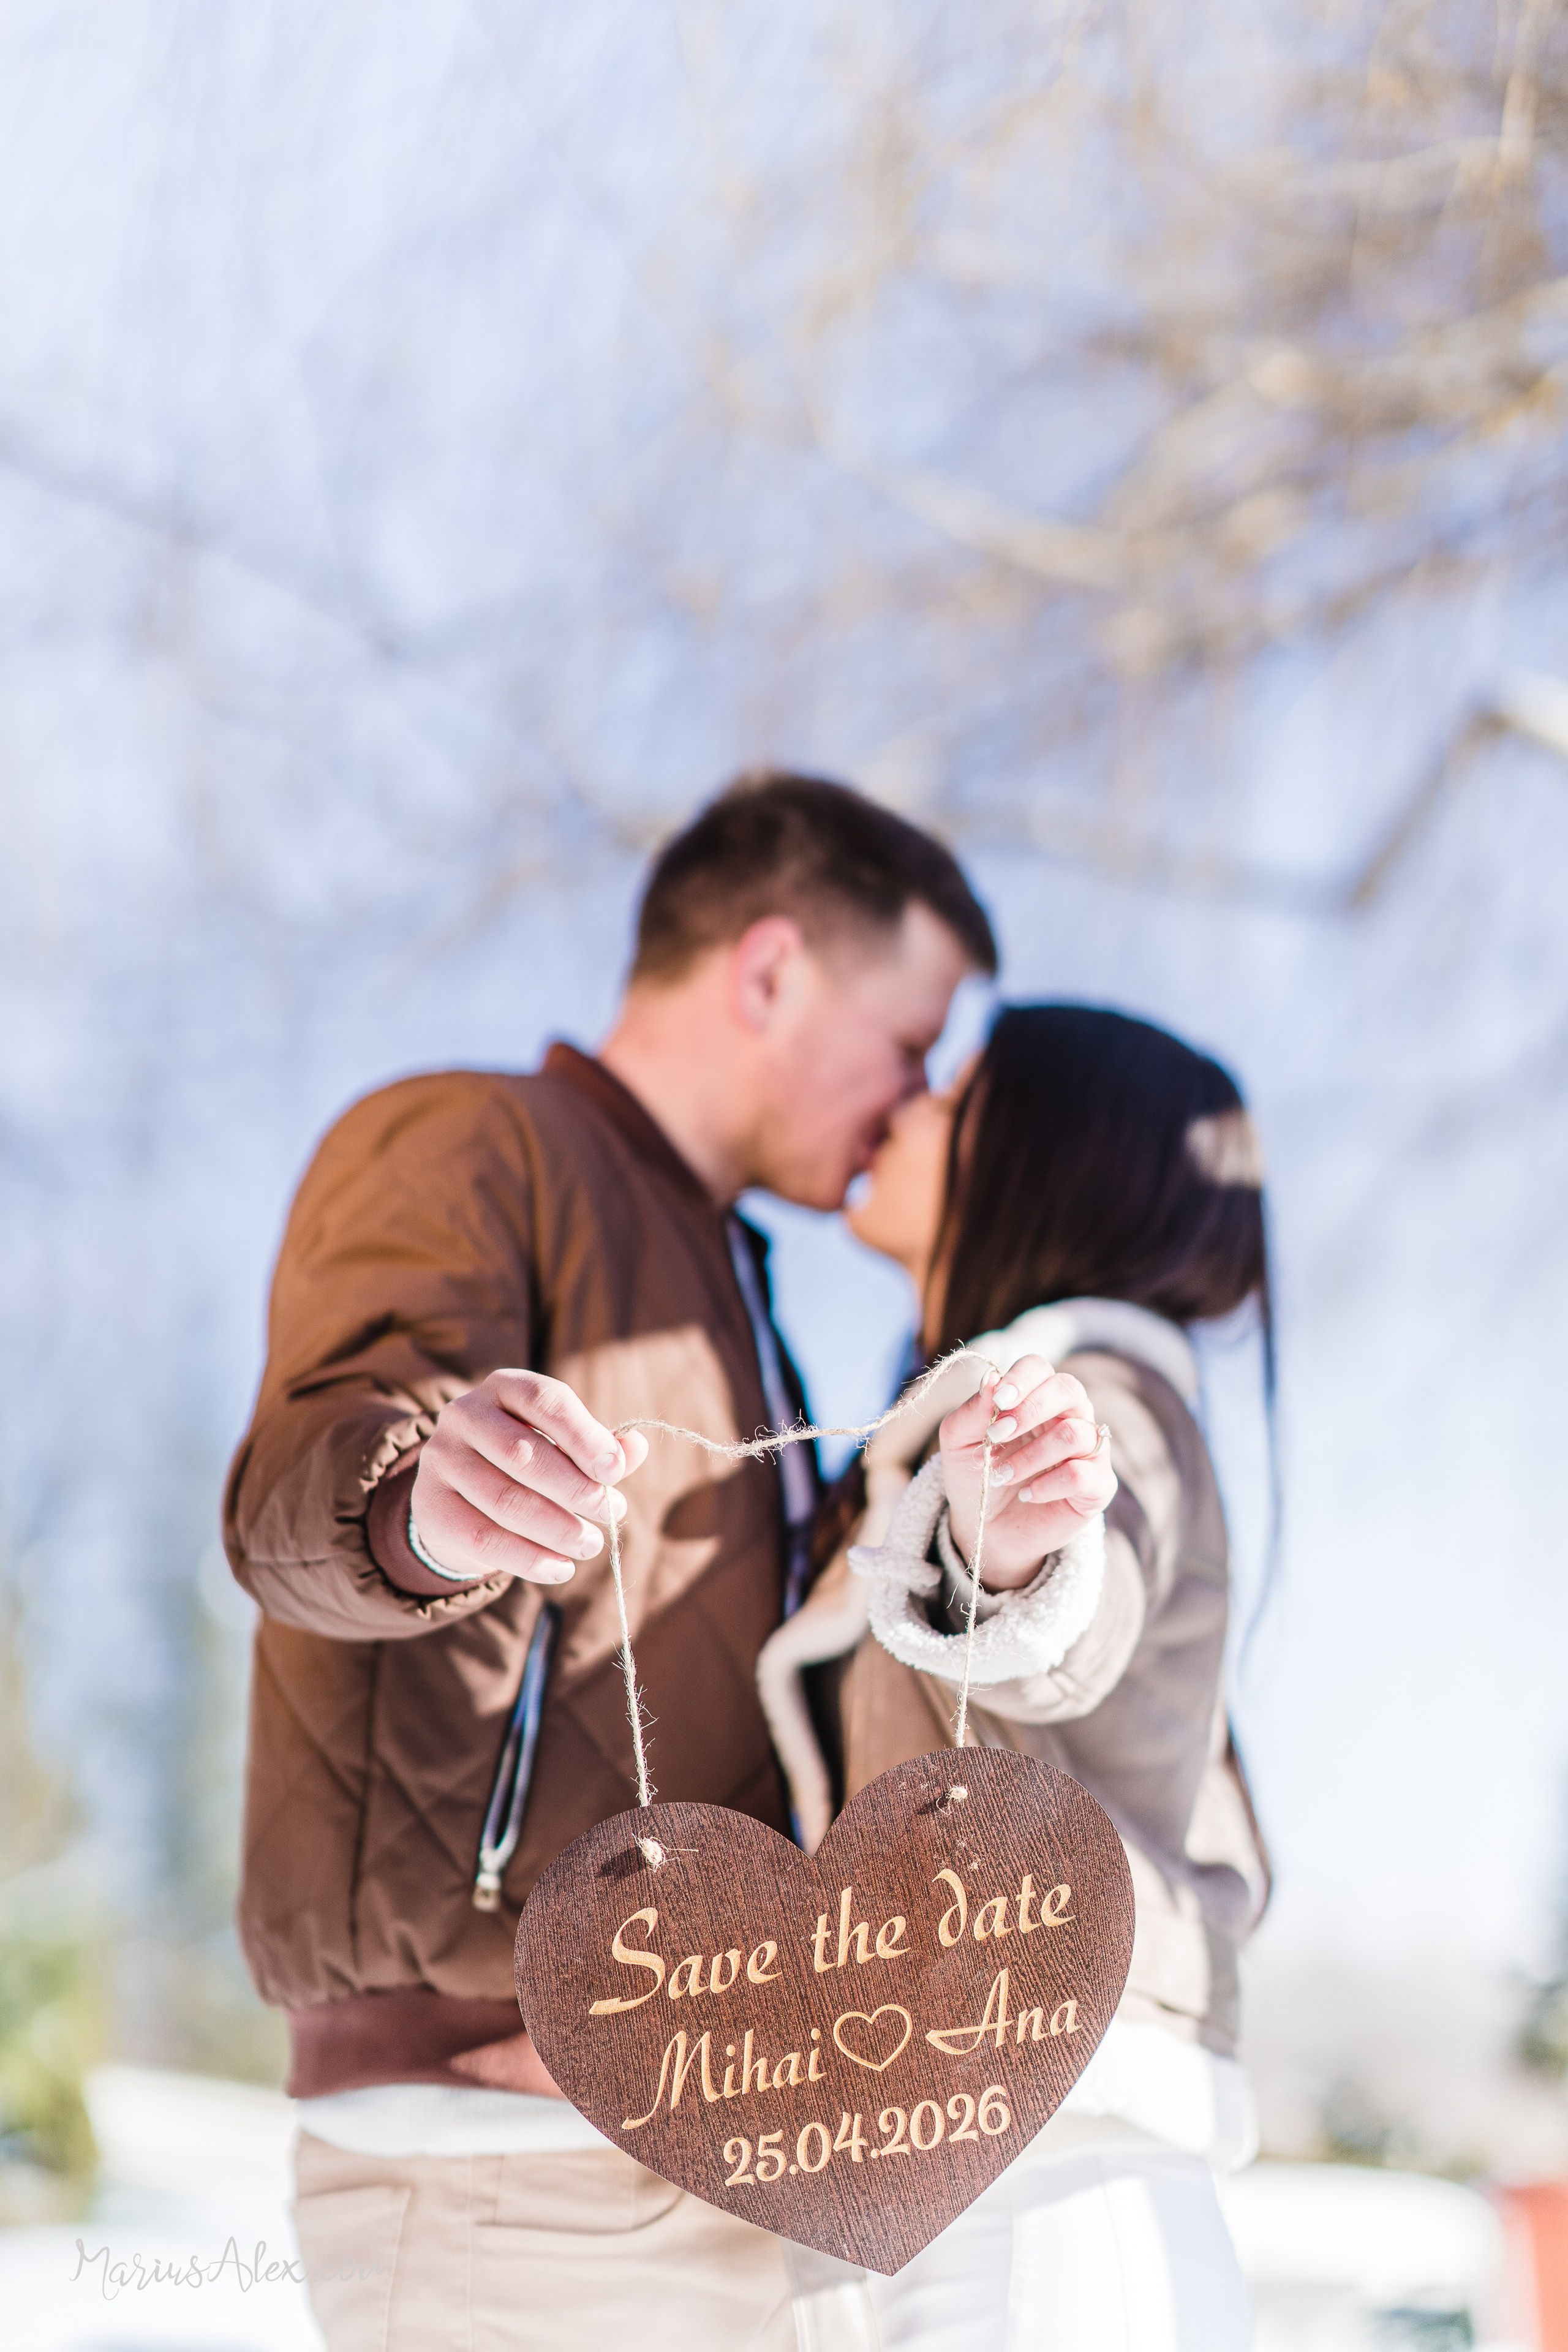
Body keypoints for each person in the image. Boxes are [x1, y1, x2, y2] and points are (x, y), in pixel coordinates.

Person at [222, 775, 1118, 2352]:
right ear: (769, 972)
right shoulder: (467, 1139)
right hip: (497, 2159)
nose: (912, 1102)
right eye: (908, 1045)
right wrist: (422, 1504)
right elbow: (306, 1477)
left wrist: (983, 1541)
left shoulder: (733, 1284)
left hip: (689, 2122)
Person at [758, 1004, 1273, 2351]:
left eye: (958, 1095)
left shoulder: (1095, 1396)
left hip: (1052, 2176)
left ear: (1047, 1161)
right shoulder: (1000, 1393)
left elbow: (1081, 1599)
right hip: (1000, 2144)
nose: (909, 1102)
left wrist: (1007, 1551)